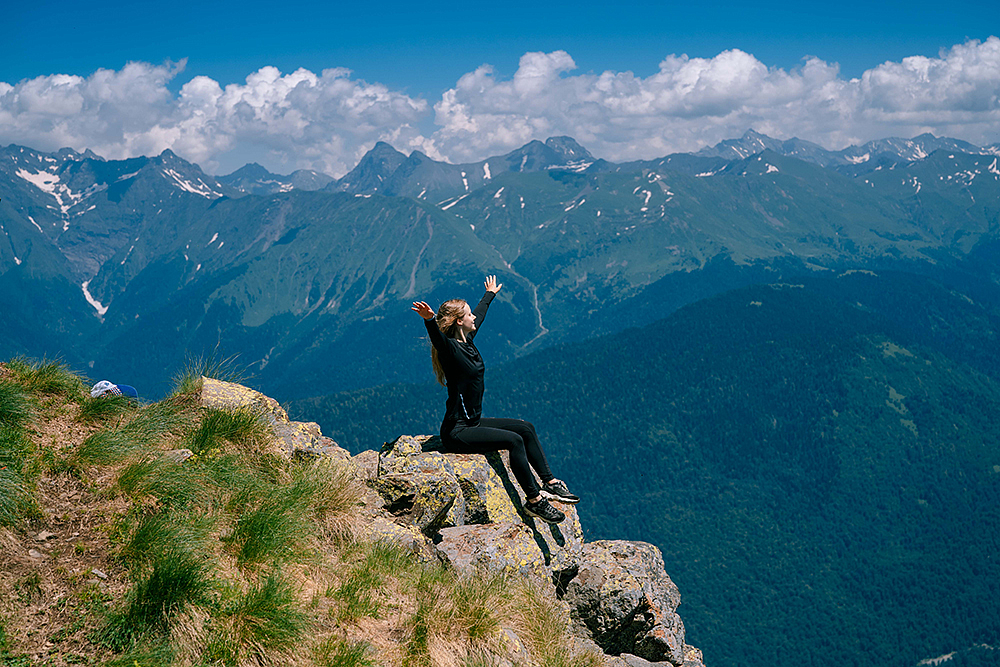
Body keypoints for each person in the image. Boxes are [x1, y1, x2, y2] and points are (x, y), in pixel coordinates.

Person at [411, 275, 579, 524]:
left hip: (472, 422)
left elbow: (480, 314)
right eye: (469, 315)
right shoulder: (450, 350)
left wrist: (489, 295)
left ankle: (551, 482)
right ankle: (534, 501)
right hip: (457, 431)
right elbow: (438, 338)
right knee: (513, 440)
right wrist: (429, 321)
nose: (474, 318)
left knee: (525, 427)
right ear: (459, 321)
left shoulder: (466, 342)